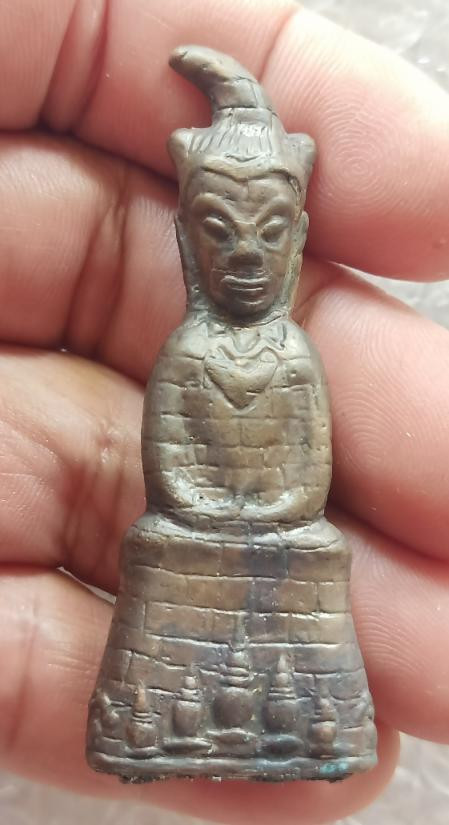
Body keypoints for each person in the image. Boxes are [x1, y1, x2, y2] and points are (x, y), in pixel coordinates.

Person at [0, 0, 448, 822]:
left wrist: (274, 511)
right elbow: (169, 463)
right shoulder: (187, 351)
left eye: (268, 234)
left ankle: (309, 725)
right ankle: (151, 723)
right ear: (187, 244)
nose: (245, 254)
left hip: (277, 527)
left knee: (316, 548)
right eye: (221, 232)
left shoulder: (294, 356)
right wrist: (207, 509)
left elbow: (308, 470)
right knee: (155, 542)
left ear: (296, 240)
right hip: (197, 525)